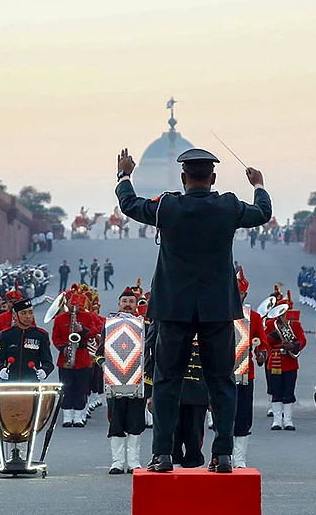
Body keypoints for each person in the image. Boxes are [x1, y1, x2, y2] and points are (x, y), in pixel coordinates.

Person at [115, 146, 271, 473]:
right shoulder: (228, 206)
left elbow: (129, 205)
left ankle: (162, 455)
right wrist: (258, 184)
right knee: (222, 382)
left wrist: (124, 174)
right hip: (217, 308)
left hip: (173, 307)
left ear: (184, 177)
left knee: (167, 381)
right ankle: (224, 454)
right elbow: (262, 213)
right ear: (212, 178)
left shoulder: (168, 206)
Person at [95, 286, 148, 474]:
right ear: (119, 304)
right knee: (116, 421)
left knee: (135, 421)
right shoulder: (109, 325)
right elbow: (99, 352)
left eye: (131, 302)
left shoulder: (143, 325)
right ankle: (117, 461)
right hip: (115, 380)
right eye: (124, 301)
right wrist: (103, 364)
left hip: (137, 380)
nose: (127, 305)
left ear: (136, 305)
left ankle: (133, 461)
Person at [231, 267, 268, 467]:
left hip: (245, 374)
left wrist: (262, 354)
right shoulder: (216, 313)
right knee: (222, 416)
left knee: (243, 417)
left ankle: (240, 458)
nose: (237, 296)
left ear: (245, 294)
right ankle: (222, 455)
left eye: (241, 293)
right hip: (220, 374)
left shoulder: (253, 317)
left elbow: (262, 344)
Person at [51, 284, 103, 427]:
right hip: (65, 357)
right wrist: (63, 348)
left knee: (81, 388)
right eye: (72, 302)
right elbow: (55, 337)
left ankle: (78, 416)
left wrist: (83, 329)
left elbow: (93, 332)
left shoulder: (88, 316)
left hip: (82, 357)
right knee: (66, 387)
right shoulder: (60, 319)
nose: (75, 306)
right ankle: (67, 416)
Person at [265, 288, 306, 431]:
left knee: (289, 391)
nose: (283, 315)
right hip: (275, 360)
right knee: (276, 391)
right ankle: (277, 420)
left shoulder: (295, 324)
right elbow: (265, 342)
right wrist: (275, 336)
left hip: (290, 361)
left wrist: (292, 346)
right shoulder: (271, 324)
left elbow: (302, 340)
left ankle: (288, 420)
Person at [0, 298, 53, 382]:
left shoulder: (41, 335)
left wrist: (44, 371)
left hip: (32, 383)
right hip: (9, 382)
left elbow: (48, 362)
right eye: (23, 313)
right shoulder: (5, 335)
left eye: (30, 312)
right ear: (16, 315)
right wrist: (0, 370)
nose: (28, 316)